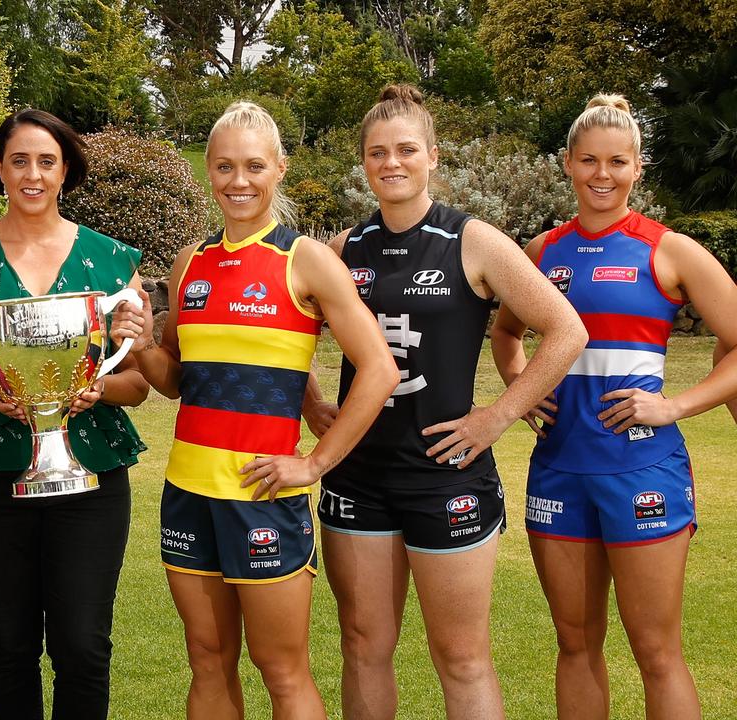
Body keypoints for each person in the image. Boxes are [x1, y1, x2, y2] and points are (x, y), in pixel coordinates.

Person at [304, 85, 587, 720]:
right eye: (378, 153)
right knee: (363, 647)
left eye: (407, 149)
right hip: (358, 475)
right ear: (364, 162)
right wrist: (312, 402)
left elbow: (567, 330)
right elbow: (280, 334)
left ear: (433, 155)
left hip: (446, 476)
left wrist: (499, 413)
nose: (392, 163)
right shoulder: (344, 249)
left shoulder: (472, 240)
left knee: (461, 656)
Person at [114, 100, 397, 720]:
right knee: (207, 660)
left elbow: (380, 370)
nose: (238, 182)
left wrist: (315, 462)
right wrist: (136, 347)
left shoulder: (307, 260)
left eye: (254, 167)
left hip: (263, 495)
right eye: (224, 167)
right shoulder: (192, 263)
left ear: (279, 169)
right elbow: (176, 381)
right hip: (188, 489)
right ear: (208, 172)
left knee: (282, 670)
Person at [492, 93, 737, 720]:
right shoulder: (543, 251)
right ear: (568, 164)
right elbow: (506, 332)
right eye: (590, 161)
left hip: (643, 472)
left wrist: (675, 406)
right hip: (559, 470)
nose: (603, 175)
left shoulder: (669, 250)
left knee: (656, 651)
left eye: (618, 162)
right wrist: (522, 388)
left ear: (638, 167)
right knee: (574, 645)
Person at [0, 108, 148, 720]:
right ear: (0, 169)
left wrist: (99, 388)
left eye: (47, 161)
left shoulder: (113, 260)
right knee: (8, 646)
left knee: (83, 646)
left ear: (65, 169)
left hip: (90, 478)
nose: (33, 174)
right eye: (19, 160)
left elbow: (137, 382)